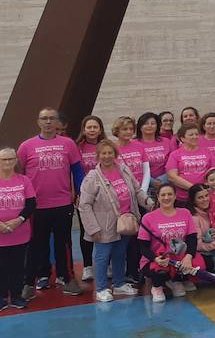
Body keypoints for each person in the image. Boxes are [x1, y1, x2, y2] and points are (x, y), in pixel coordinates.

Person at [17, 107, 84, 298]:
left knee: (64, 244)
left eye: (51, 119)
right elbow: (19, 175)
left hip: (62, 204)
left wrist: (80, 193)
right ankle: (31, 281)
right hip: (37, 206)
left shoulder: (68, 144)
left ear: (57, 123)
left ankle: (67, 278)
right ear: (38, 122)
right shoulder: (26, 146)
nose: (48, 122)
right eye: (44, 119)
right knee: (36, 244)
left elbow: (78, 171)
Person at [77, 139, 148, 301]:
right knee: (102, 256)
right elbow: (84, 205)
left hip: (125, 222)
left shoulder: (123, 169)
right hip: (104, 226)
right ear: (98, 156)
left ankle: (119, 284)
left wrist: (150, 204)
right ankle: (101, 288)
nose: (107, 156)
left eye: (110, 153)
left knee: (119, 253)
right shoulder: (92, 178)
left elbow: (137, 191)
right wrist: (92, 228)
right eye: (103, 153)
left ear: (115, 155)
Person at [137, 182, 200, 302]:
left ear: (175, 196)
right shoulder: (148, 218)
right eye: (163, 195)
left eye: (170, 194)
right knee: (159, 272)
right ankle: (157, 286)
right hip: (158, 258)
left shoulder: (185, 213)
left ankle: (176, 280)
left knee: (200, 265)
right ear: (158, 197)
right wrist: (156, 259)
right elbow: (143, 247)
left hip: (179, 256)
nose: (167, 198)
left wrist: (188, 257)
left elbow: (192, 238)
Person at [0, 147, 38, 310]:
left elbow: (31, 203)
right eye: (4, 159)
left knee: (17, 266)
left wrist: (19, 220)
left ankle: (16, 295)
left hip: (19, 232)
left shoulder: (23, 180)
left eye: (10, 159)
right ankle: (1, 297)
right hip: (1, 234)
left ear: (16, 161)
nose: (7, 162)